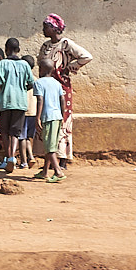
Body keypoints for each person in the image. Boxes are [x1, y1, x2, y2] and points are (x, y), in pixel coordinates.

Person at [37, 13, 93, 167]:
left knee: (62, 119)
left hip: (62, 87)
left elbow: (86, 56)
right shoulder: (45, 46)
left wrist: (70, 67)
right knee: (48, 120)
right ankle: (50, 159)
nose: (43, 29)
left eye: (46, 26)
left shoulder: (66, 44)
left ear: (54, 29)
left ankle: (62, 158)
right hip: (47, 88)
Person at [0, 38, 35, 173]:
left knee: (4, 131)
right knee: (15, 132)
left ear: (6, 49)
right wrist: (21, 88)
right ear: (19, 50)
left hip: (6, 101)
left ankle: (9, 156)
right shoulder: (25, 65)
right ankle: (12, 159)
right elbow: (30, 83)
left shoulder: (3, 64)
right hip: (20, 102)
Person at [33, 59, 66, 182]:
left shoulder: (39, 83)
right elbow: (62, 100)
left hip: (48, 117)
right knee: (49, 144)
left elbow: (40, 100)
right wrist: (62, 115)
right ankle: (45, 172)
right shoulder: (57, 83)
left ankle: (58, 172)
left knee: (50, 147)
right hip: (57, 116)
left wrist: (37, 118)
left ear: (41, 69)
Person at [19, 54, 38, 169]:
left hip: (23, 112)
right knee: (28, 137)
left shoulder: (21, 79)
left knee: (21, 137)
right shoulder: (36, 80)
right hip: (34, 112)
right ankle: (31, 156)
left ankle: (24, 161)